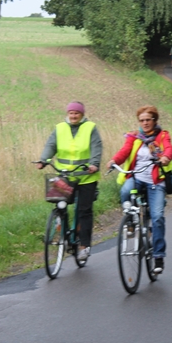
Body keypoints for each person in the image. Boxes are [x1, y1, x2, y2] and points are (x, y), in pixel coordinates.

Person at [107, 105, 172, 274]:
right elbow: (124, 151)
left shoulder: (162, 135)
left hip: (155, 181)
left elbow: (168, 148)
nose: (145, 123)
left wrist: (166, 157)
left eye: (148, 120)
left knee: (158, 217)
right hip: (136, 177)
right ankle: (131, 223)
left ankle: (158, 256)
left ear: (155, 120)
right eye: (142, 120)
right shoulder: (134, 137)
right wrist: (114, 160)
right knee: (124, 192)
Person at [37, 101, 102, 262]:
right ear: (67, 114)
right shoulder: (59, 128)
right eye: (71, 113)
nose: (73, 116)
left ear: (82, 114)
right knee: (59, 204)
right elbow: (51, 145)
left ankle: (83, 246)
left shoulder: (90, 127)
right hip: (65, 175)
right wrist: (43, 159)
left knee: (84, 211)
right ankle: (63, 232)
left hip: (87, 176)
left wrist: (94, 163)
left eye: (76, 113)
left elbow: (96, 147)